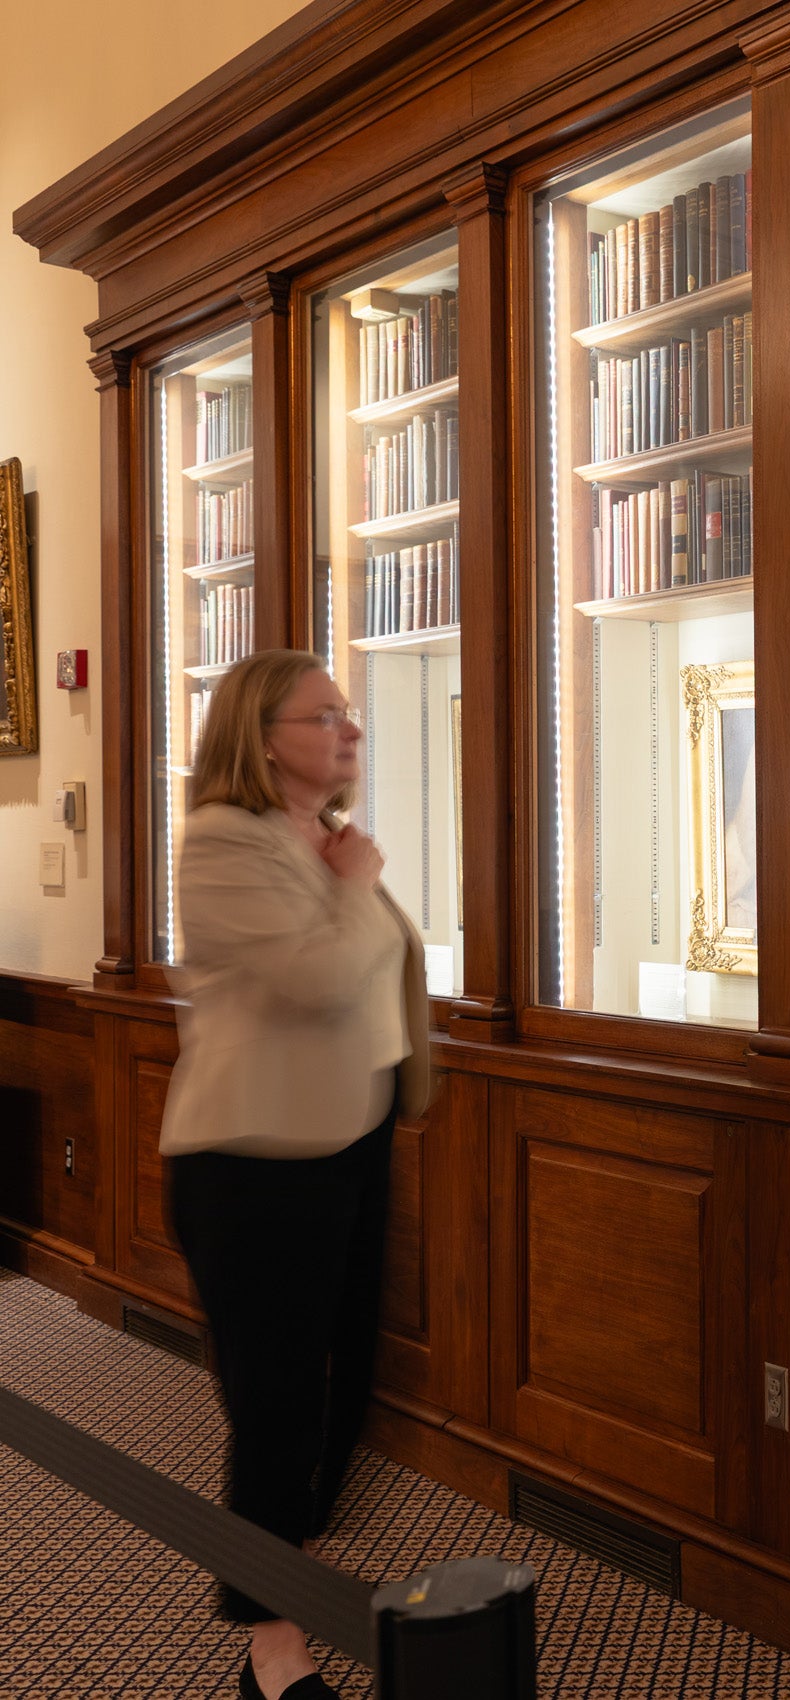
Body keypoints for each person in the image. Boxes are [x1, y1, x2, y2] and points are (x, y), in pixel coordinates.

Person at [159, 650, 433, 1700]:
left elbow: (370, 974)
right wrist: (357, 887)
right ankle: (269, 1640)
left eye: (349, 713)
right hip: (254, 1160)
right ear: (261, 733)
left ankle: (286, 1557)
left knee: (340, 1383)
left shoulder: (320, 837)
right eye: (325, 715)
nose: (349, 730)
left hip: (351, 1142)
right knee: (276, 1404)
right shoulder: (221, 840)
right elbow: (321, 975)